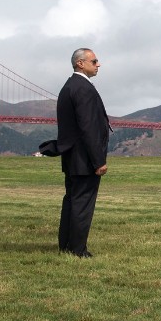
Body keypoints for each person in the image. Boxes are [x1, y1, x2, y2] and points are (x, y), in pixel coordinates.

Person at [56, 48, 111, 258]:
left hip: (72, 158)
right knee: (82, 204)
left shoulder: (68, 87)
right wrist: (99, 161)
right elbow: (88, 127)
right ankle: (78, 250)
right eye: (94, 61)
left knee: (71, 201)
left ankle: (66, 246)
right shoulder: (83, 88)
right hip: (85, 160)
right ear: (81, 63)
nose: (99, 64)